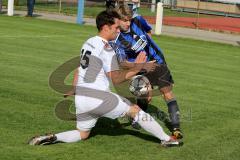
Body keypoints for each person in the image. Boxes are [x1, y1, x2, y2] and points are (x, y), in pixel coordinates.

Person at [28, 10, 181, 147]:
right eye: (115, 27)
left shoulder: (88, 43)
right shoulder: (108, 49)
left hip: (81, 99)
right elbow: (117, 79)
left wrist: (74, 88)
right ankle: (167, 139)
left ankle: (54, 137)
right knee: (135, 111)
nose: (118, 30)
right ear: (106, 27)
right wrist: (139, 67)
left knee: (82, 134)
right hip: (99, 97)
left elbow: (79, 69)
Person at [113, 4, 183, 139]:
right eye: (125, 20)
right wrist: (141, 64)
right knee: (147, 96)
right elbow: (123, 62)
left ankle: (176, 128)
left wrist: (150, 47)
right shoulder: (117, 39)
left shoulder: (138, 20)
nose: (128, 23)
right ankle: (137, 116)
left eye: (129, 19)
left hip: (158, 62)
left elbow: (148, 31)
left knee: (167, 94)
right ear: (117, 20)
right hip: (140, 68)